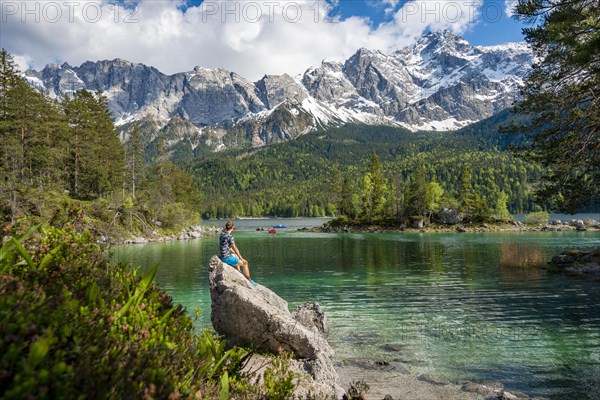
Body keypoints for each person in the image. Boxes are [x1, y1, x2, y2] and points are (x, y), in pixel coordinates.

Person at [219, 220, 257, 286]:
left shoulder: (222, 234)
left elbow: (225, 246)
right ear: (233, 227)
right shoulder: (230, 237)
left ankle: (239, 272)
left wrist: (233, 252)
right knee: (245, 263)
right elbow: (235, 248)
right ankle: (249, 280)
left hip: (222, 255)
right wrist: (242, 259)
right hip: (226, 258)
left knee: (235, 255)